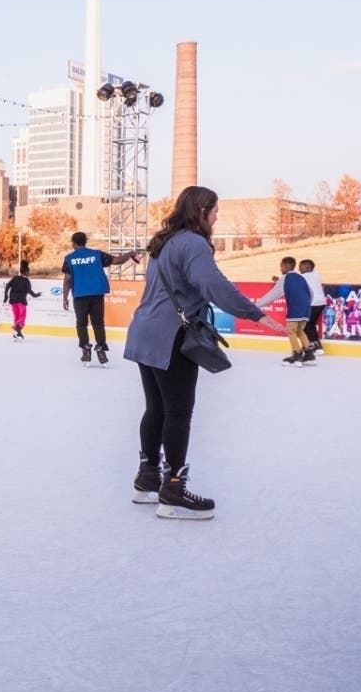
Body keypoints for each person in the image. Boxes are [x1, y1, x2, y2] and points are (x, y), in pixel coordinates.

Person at [123, 186, 286, 519]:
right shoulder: (194, 243)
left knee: (156, 408)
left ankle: (147, 479)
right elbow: (214, 284)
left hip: (144, 331)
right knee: (178, 412)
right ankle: (172, 491)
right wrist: (257, 314)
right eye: (214, 210)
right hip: (172, 336)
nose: (217, 215)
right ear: (201, 210)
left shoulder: (163, 240)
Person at [62, 231, 141, 366]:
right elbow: (116, 260)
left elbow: (68, 280)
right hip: (97, 293)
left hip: (80, 295)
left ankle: (85, 348)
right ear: (85, 242)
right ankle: (101, 348)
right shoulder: (97, 254)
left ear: (73, 243)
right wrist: (130, 254)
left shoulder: (69, 258)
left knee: (81, 323)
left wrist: (65, 298)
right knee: (98, 323)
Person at [256, 256, 316, 367]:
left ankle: (297, 355)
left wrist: (255, 306)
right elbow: (311, 293)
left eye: (281, 266)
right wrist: (307, 304)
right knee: (300, 331)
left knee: (291, 331)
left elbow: (271, 295)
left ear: (286, 266)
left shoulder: (285, 279)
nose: (280, 269)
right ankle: (309, 354)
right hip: (306, 309)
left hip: (295, 309)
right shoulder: (301, 277)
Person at [3, 260, 41, 341]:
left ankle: (17, 332)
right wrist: (37, 295)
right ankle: (17, 329)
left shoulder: (15, 278)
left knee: (17, 316)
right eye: (28, 272)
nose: (29, 274)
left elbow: (7, 286)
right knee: (22, 315)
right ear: (27, 272)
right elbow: (29, 291)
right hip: (21, 300)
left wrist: (6, 296)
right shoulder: (26, 280)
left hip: (13, 300)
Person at [299, 259, 327, 354]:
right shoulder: (316, 274)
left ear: (308, 268)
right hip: (321, 303)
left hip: (312, 304)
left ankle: (314, 346)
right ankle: (315, 347)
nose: (299, 268)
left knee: (305, 325)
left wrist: (277, 280)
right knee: (310, 325)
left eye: (301, 266)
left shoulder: (302, 277)